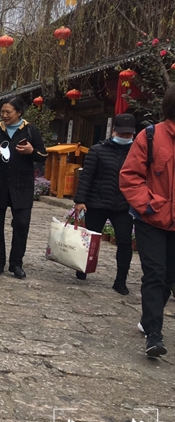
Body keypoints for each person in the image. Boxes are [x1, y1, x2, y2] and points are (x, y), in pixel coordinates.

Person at [119, 88, 175, 358]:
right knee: (154, 273)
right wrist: (149, 205)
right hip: (152, 217)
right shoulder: (151, 136)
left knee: (169, 276)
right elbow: (130, 176)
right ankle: (154, 334)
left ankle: (147, 318)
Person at [0, 96, 47, 279]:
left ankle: (16, 263)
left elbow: (42, 155)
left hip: (21, 186)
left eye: (9, 112)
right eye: (3, 112)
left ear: (19, 113)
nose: (5, 115)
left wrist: (32, 152)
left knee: (21, 224)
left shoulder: (30, 131)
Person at [73, 113, 136, 295]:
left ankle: (120, 280)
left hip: (123, 205)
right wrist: (80, 200)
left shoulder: (137, 152)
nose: (125, 137)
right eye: (122, 133)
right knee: (90, 239)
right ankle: (82, 268)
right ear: (114, 130)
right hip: (97, 202)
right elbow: (87, 177)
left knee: (125, 242)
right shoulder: (98, 150)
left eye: (128, 134)